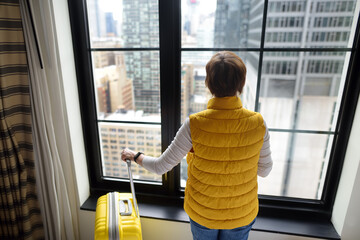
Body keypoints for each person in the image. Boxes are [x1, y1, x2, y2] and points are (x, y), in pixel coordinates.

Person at [121, 51, 272, 240]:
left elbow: (161, 166)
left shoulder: (195, 124)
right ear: (241, 83)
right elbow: (265, 170)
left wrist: (135, 156)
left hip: (203, 213)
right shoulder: (258, 123)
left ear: (208, 83)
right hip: (241, 215)